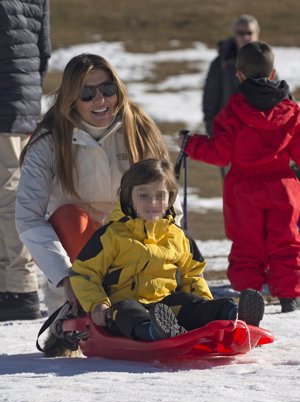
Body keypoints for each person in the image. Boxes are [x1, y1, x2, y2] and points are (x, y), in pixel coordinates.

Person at [15, 53, 182, 317]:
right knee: (70, 219)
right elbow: (28, 217)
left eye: (107, 88)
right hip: (76, 242)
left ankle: (157, 310)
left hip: (131, 236)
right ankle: (73, 314)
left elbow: (168, 201)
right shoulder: (49, 140)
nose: (100, 100)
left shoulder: (139, 129)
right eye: (87, 93)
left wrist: (174, 257)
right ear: (71, 97)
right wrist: (65, 278)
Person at [69, 158, 265, 341]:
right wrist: (98, 304)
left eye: (159, 196)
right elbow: (84, 273)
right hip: (124, 305)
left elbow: (193, 275)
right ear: (128, 197)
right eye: (143, 196)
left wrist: (203, 303)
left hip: (167, 306)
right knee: (127, 312)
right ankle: (153, 332)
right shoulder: (111, 236)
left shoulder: (178, 236)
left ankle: (235, 316)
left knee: (193, 303)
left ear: (170, 198)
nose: (152, 203)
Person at [179, 41, 300, 313]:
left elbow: (221, 154)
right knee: (286, 243)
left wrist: (191, 144)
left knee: (247, 245)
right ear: (273, 73)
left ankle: (250, 298)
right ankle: (289, 300)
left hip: (244, 190)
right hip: (283, 187)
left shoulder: (233, 110)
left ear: (239, 74)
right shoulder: (291, 110)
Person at [0, 0, 51, 321]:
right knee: (13, 196)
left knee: (8, 198)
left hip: (6, 106)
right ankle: (13, 286)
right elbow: (43, 54)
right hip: (25, 105)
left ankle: (20, 289)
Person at [202, 14, 260, 178]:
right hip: (230, 141)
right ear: (235, 36)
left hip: (261, 144)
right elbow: (210, 104)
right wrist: (216, 138)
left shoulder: (266, 62)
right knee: (234, 194)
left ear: (257, 34)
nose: (245, 37)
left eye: (249, 32)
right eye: (241, 33)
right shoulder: (221, 64)